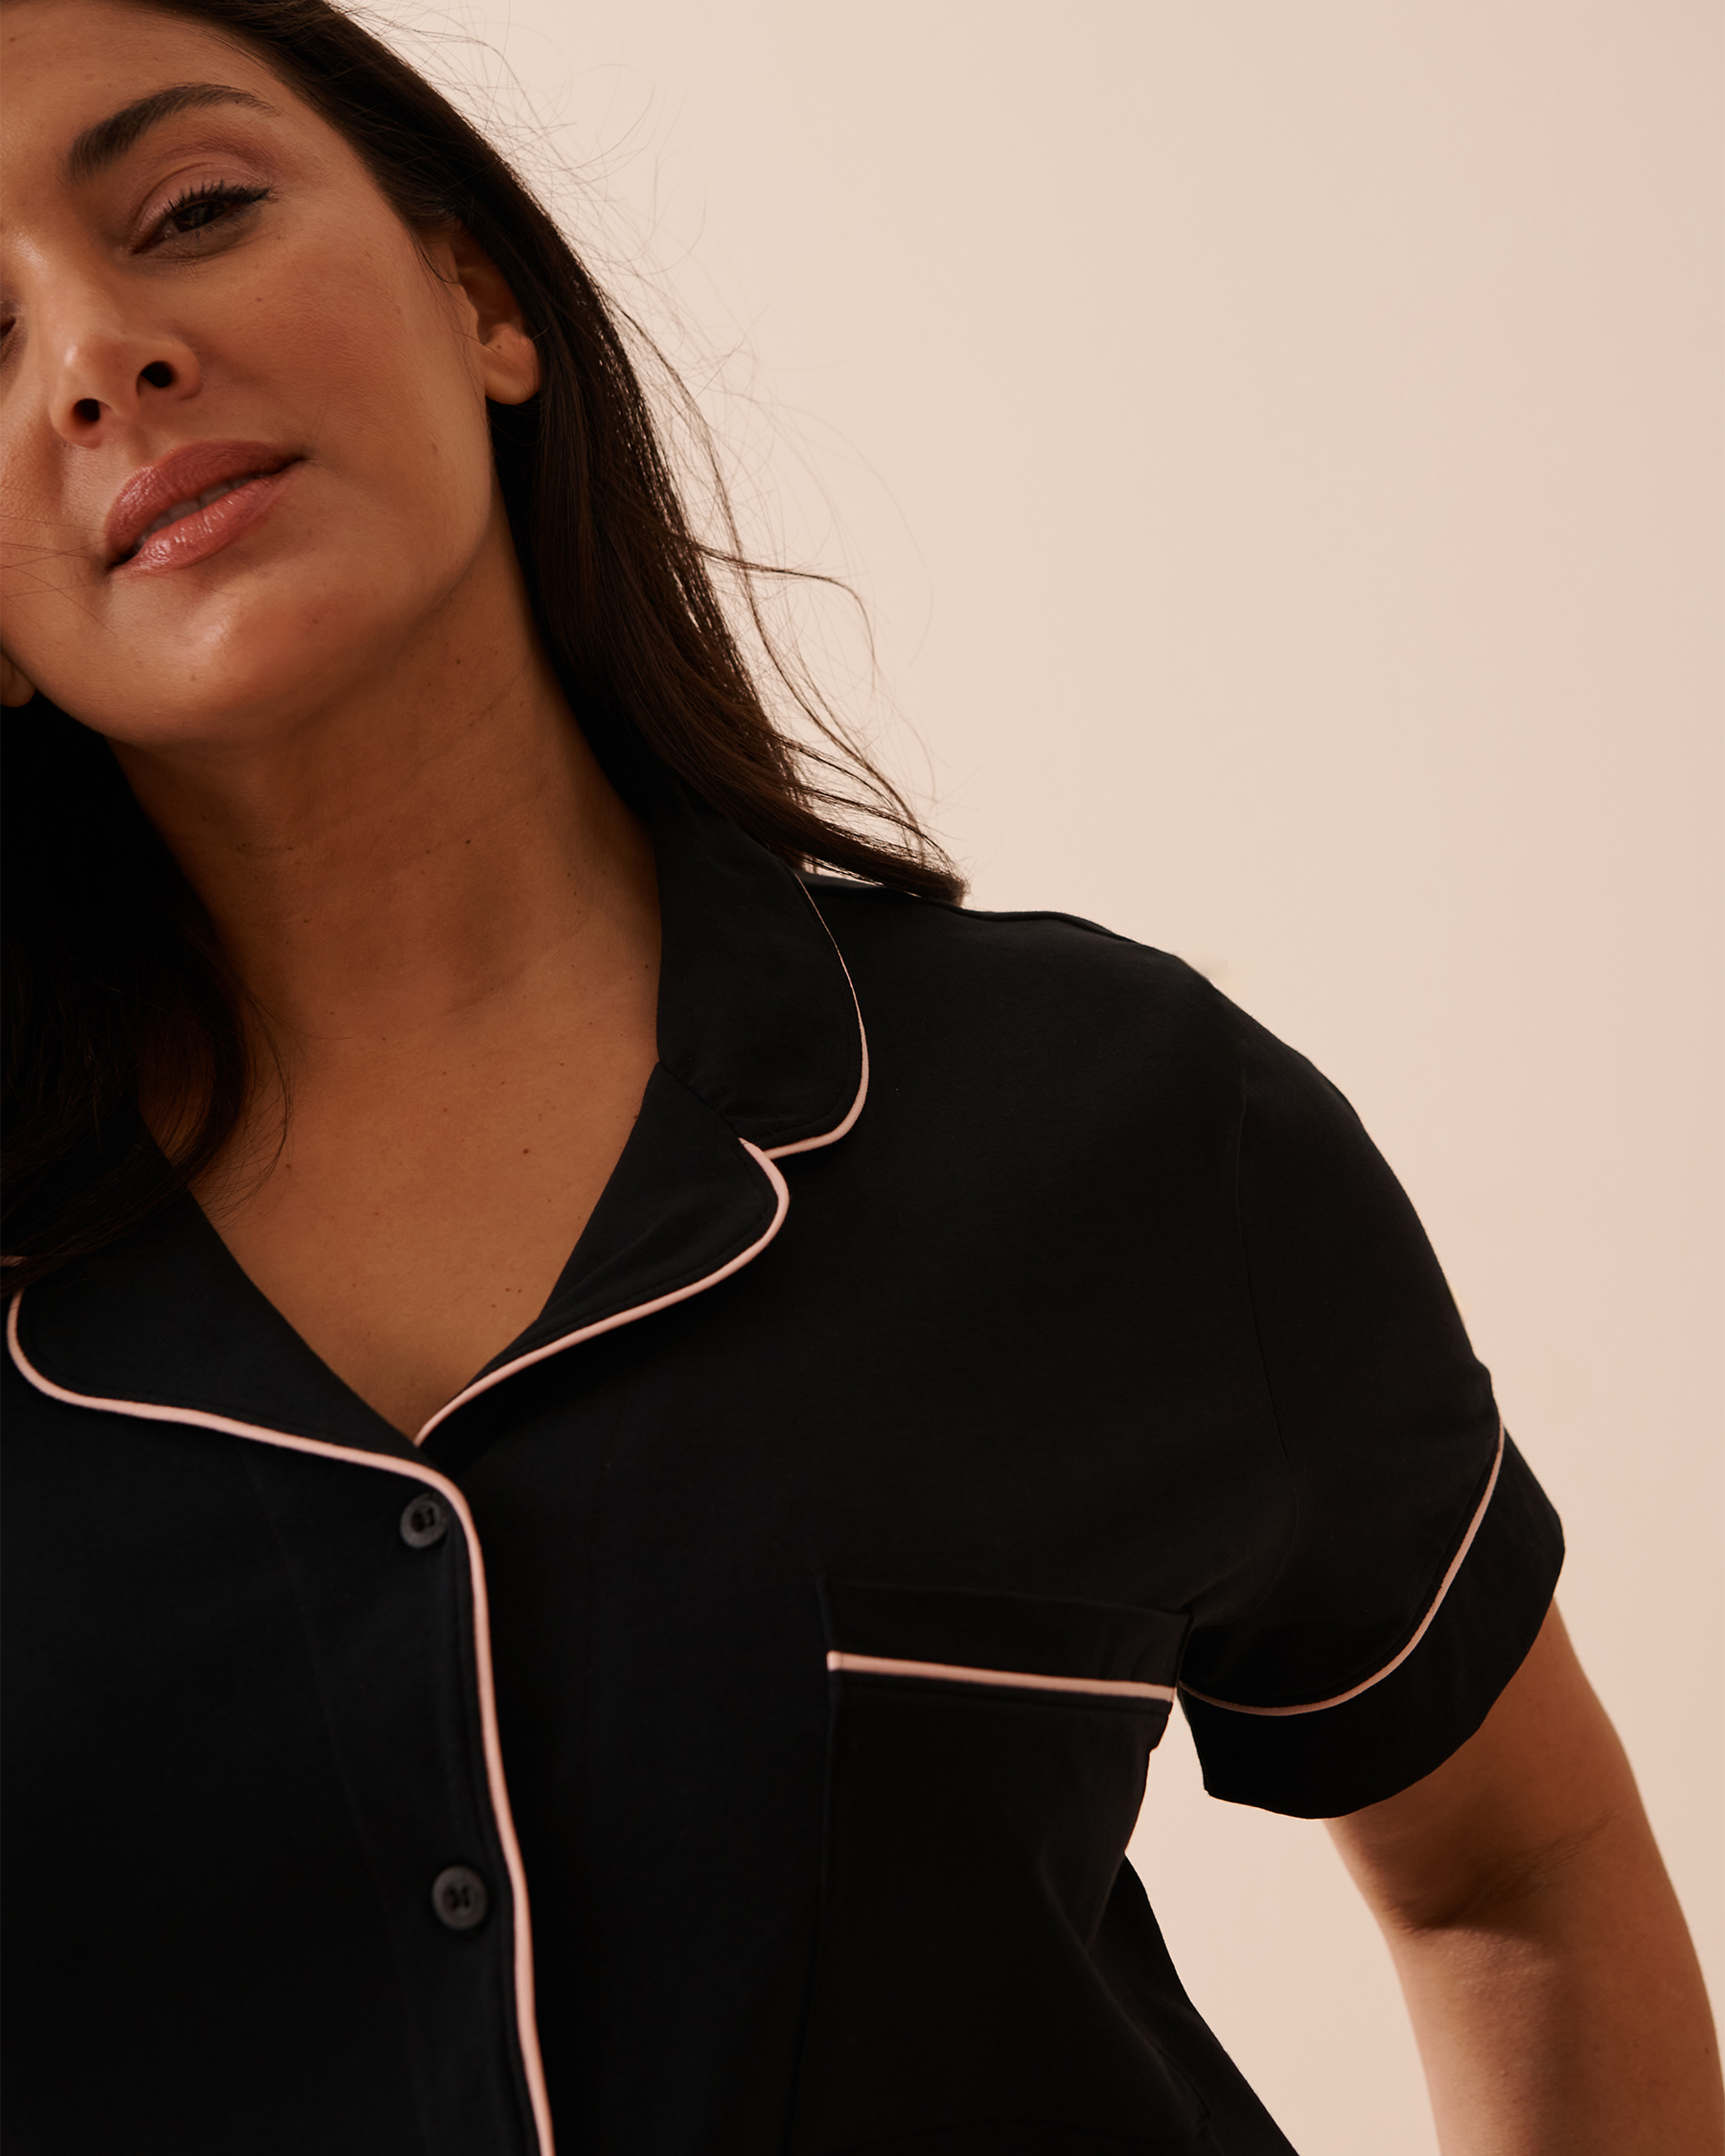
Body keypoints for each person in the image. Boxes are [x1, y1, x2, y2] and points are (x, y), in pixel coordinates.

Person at [1, 1, 1717, 2149]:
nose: (100, 355)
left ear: (481, 297)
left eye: (193, 210)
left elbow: (1516, 1876)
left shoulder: (1115, 1121)